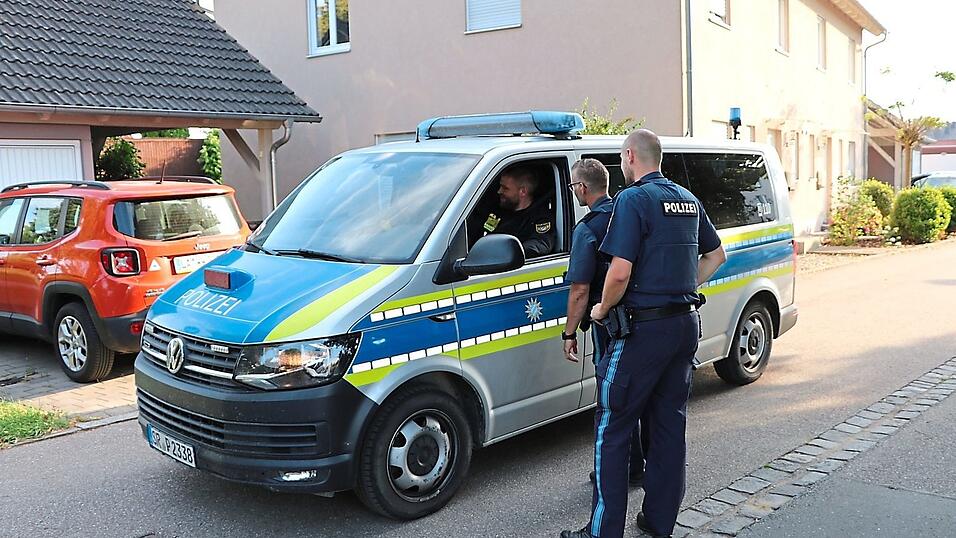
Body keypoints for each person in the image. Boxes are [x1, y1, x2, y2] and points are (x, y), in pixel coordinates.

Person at [561, 130, 727, 538]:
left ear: (630, 156)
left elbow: (619, 271)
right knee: (669, 426)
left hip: (643, 331)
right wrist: (684, 287)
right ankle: (658, 521)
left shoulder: (633, 199)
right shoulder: (687, 198)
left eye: (621, 157)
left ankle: (602, 532)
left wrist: (601, 309)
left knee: (612, 427)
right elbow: (716, 255)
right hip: (684, 324)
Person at [561, 158, 649, 490]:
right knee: (636, 396)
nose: (574, 192)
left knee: (611, 400)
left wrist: (569, 333)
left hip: (607, 323)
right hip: (642, 316)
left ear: (582, 188)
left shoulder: (588, 228)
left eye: (573, 187)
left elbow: (580, 290)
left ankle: (615, 471)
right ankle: (638, 465)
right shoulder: (629, 213)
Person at [483, 165, 556, 257]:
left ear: (523, 191)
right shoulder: (498, 209)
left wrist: (508, 252)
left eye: (505, 188)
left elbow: (540, 244)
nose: (499, 191)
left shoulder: (540, 218)